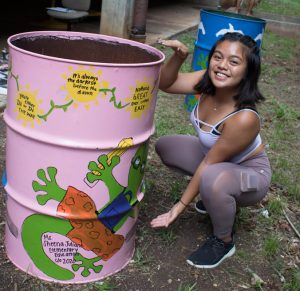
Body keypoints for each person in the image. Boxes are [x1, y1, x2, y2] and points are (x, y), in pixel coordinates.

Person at [150, 32, 271, 269]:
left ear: (248, 70)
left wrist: (178, 208)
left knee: (213, 178)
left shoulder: (244, 117)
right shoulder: (208, 81)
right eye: (218, 57)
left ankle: (223, 241)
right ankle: (215, 196)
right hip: (216, 161)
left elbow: (209, 165)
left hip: (251, 176)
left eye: (234, 62)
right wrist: (180, 57)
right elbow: (167, 84)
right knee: (166, 146)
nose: (222, 66)